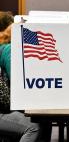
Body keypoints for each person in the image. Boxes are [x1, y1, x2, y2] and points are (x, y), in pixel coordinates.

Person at [0, 11, 52, 142]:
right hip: (3, 110)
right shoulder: (9, 50)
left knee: (43, 120)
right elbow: (8, 95)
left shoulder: (7, 48)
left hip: (6, 107)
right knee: (35, 126)